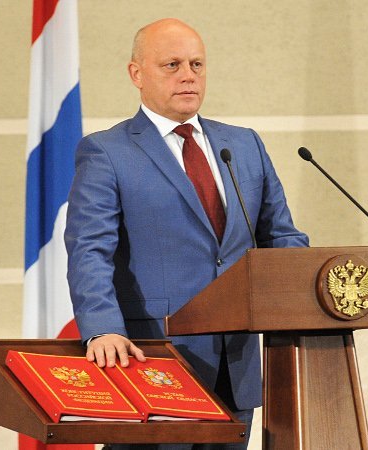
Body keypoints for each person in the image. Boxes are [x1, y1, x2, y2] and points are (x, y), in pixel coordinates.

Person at [64, 18, 309, 450]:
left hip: (236, 362)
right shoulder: (107, 151)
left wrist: (309, 294)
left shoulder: (243, 145)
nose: (188, 76)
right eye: (172, 65)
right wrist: (102, 329)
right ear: (136, 74)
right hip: (153, 358)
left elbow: (281, 237)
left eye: (197, 64)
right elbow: (89, 250)